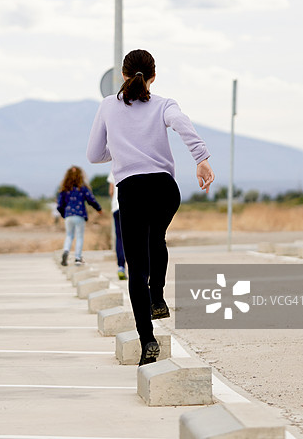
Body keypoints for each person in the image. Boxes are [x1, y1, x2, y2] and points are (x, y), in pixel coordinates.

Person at [86, 49, 214, 366]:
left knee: (136, 268)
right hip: (164, 189)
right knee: (157, 237)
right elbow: (182, 124)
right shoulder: (164, 105)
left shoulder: (107, 106)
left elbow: (93, 154)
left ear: (123, 76)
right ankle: (157, 295)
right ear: (152, 77)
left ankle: (148, 342)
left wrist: (119, 149)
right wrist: (201, 159)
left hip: (131, 190)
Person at [56, 166, 103, 267]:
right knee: (80, 237)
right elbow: (91, 200)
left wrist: (63, 214)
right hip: (79, 215)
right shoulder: (82, 188)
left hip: (68, 215)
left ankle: (66, 251)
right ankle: (78, 258)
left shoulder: (64, 189)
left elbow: (59, 205)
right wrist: (99, 209)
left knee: (69, 235)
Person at [107, 171, 126, 280]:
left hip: (116, 207)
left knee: (119, 238)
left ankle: (121, 267)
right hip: (131, 206)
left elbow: (111, 191)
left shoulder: (113, 169)